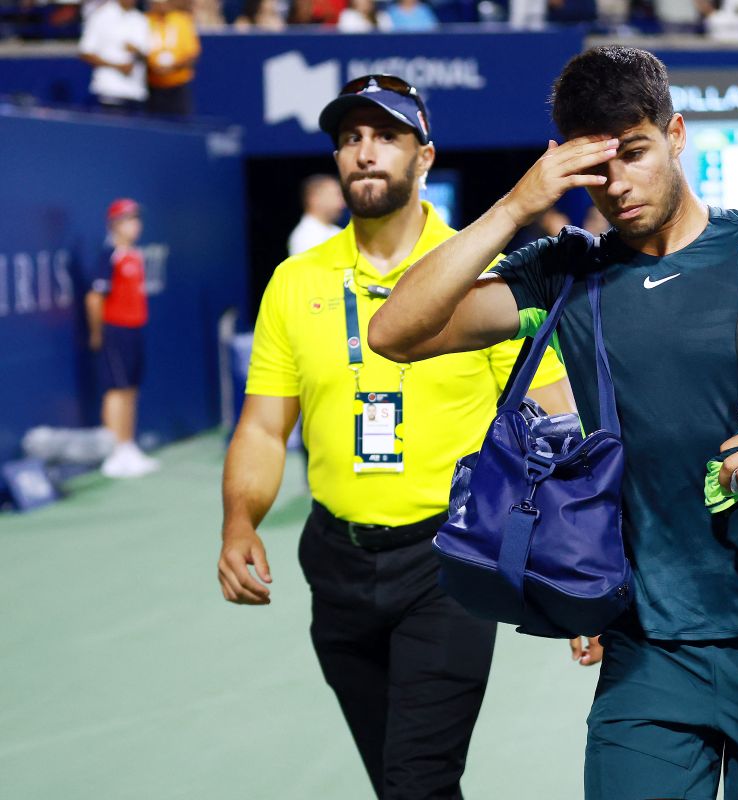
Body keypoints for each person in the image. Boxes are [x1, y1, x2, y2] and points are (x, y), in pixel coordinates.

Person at [367, 46, 738, 800]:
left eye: (635, 152)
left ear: (676, 133)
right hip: (643, 653)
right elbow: (394, 332)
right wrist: (516, 205)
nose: (618, 184)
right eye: (597, 166)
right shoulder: (565, 269)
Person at [216, 75, 574, 800]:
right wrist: (238, 519)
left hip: (449, 561)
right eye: (350, 139)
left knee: (418, 781)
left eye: (386, 137)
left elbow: (558, 418)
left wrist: (573, 569)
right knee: (397, 781)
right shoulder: (296, 281)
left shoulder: (488, 274)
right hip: (334, 562)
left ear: (425, 157)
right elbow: (262, 423)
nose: (365, 153)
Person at [87, 198, 159, 479]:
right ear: (115, 224)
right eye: (130, 220)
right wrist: (98, 333)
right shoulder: (109, 255)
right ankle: (114, 453)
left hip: (134, 330)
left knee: (131, 389)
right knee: (116, 390)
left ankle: (128, 446)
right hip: (114, 331)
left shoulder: (135, 255)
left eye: (137, 219)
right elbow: (94, 299)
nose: (136, 225)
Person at [78, 0, 151, 113]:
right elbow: (85, 52)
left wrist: (138, 52)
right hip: (109, 90)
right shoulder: (100, 16)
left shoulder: (141, 19)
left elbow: (148, 54)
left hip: (136, 92)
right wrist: (117, 66)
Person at [145, 0, 200, 117]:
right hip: (151, 86)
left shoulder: (181, 21)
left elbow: (191, 55)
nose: (161, 6)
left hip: (178, 86)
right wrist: (153, 67)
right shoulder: (144, 21)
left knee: (180, 126)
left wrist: (172, 67)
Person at [287, 174, 345, 256]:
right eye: (336, 195)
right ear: (314, 199)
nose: (342, 203)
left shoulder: (336, 231)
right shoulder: (305, 237)